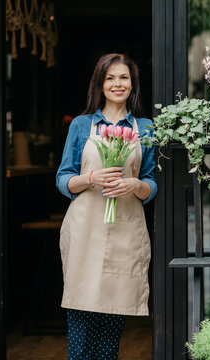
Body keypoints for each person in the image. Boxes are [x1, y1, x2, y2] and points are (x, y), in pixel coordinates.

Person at [56, 53, 157, 359]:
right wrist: (91, 177)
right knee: (81, 319)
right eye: (110, 78)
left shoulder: (146, 128)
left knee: (113, 322)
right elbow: (63, 180)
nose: (117, 84)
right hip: (85, 231)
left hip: (125, 231)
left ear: (133, 83)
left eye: (123, 77)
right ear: (100, 84)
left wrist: (134, 184)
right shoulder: (81, 125)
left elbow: (151, 182)